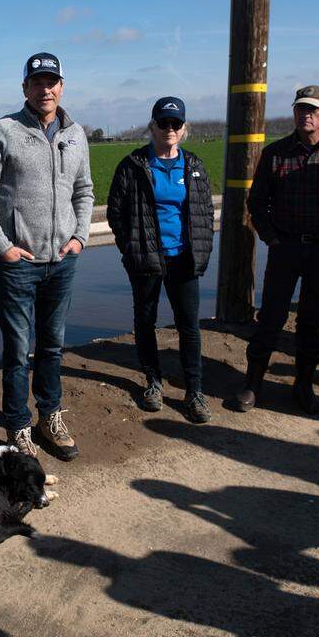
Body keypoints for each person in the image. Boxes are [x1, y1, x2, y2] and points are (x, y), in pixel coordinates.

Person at [0, 52, 94, 460]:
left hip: (63, 261)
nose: (46, 88)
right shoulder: (2, 131)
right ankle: (18, 424)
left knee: (53, 346)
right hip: (18, 265)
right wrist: (2, 247)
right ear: (25, 88)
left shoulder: (76, 134)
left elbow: (84, 190)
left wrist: (79, 237)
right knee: (18, 350)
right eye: (37, 82)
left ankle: (50, 415)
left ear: (61, 86)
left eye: (52, 81)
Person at [233, 85, 319, 415]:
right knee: (271, 317)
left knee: (311, 320)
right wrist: (272, 239)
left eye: (313, 110)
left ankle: (303, 385)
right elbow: (257, 202)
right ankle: (253, 383)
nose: (306, 114)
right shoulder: (275, 154)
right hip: (285, 249)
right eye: (300, 108)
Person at [107, 97, 215, 420]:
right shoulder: (133, 165)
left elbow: (205, 212)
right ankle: (153, 382)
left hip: (184, 258)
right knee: (145, 320)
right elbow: (116, 212)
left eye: (175, 124)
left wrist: (201, 249)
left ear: (183, 129)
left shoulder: (193, 166)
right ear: (152, 126)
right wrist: (131, 247)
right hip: (146, 259)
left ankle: (194, 391)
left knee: (189, 326)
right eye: (163, 123)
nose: (169, 129)